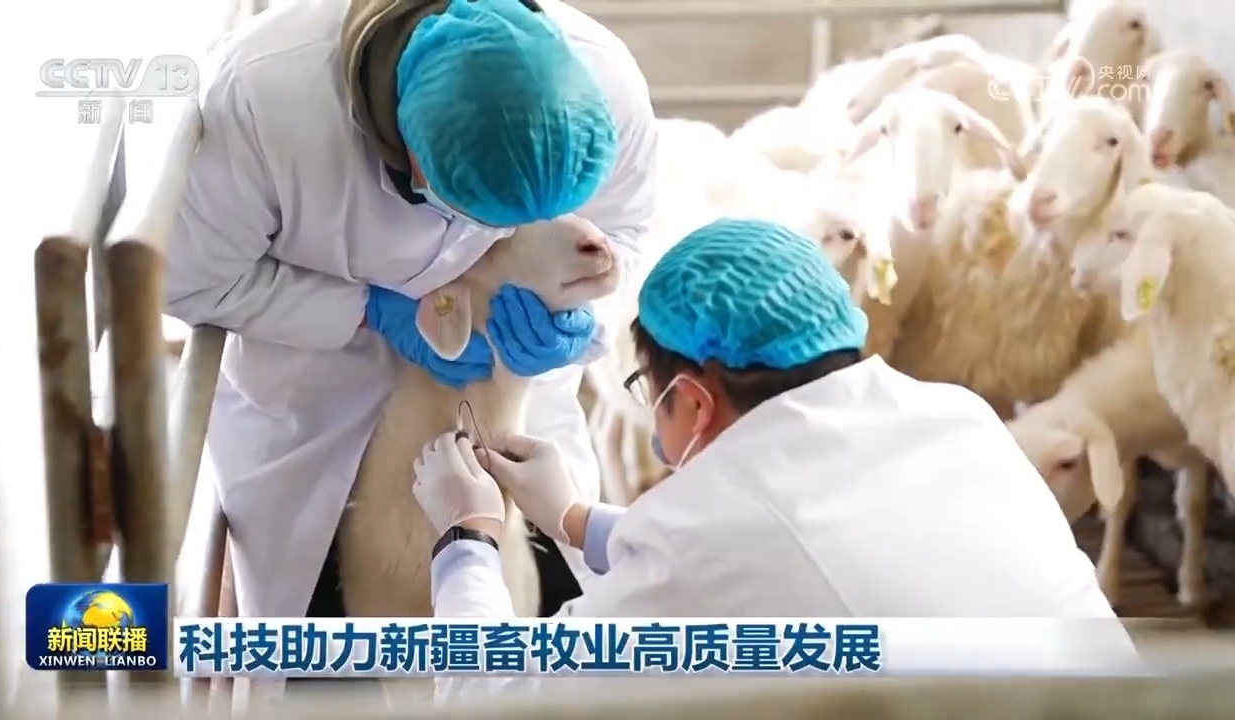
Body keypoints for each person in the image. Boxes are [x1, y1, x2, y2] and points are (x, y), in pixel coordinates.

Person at [412, 217, 1137, 699]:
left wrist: (465, 540)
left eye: (649, 392)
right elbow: (787, 548)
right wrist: (574, 517)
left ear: (691, 401)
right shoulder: (959, 418)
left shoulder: (705, 535)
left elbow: (494, 698)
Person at [165, 0, 657, 623]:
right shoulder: (267, 98)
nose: (486, 237)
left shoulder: (602, 77)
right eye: (486, 219)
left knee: (538, 624)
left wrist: (580, 328)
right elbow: (192, 278)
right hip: (316, 409)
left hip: (516, 409)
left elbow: (625, 235)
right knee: (332, 647)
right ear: (410, 153)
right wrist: (366, 310)